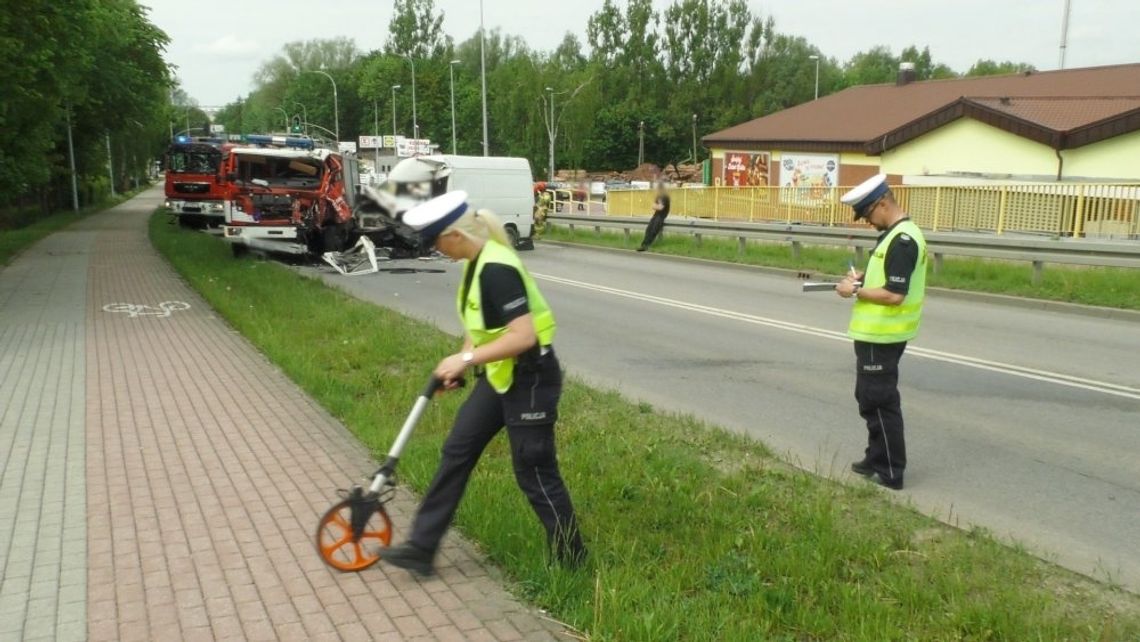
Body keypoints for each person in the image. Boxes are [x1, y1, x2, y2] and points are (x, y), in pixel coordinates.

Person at [380, 190, 587, 575]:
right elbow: (480, 328)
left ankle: (572, 559)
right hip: (501, 374)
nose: (436, 250)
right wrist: (461, 363)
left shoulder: (497, 268)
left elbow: (523, 335)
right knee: (457, 450)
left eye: (436, 242)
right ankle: (421, 548)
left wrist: (466, 359)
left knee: (533, 468)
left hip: (531, 376)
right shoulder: (474, 265)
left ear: (455, 236)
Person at [835, 174, 928, 491]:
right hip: (874, 334)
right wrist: (863, 278)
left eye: (868, 214)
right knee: (868, 397)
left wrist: (855, 291)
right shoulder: (893, 235)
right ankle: (875, 457)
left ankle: (890, 470)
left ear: (883, 203)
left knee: (880, 400)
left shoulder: (903, 240)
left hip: (883, 336)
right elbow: (886, 278)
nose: (868, 222)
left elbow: (894, 294)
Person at [636, 182, 671, 252]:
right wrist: (657, 206)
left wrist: (657, 206)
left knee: (654, 229)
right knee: (649, 229)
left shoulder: (665, 197)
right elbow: (654, 206)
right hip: (656, 215)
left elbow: (660, 208)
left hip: (661, 216)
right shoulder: (658, 196)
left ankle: (646, 245)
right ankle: (643, 245)